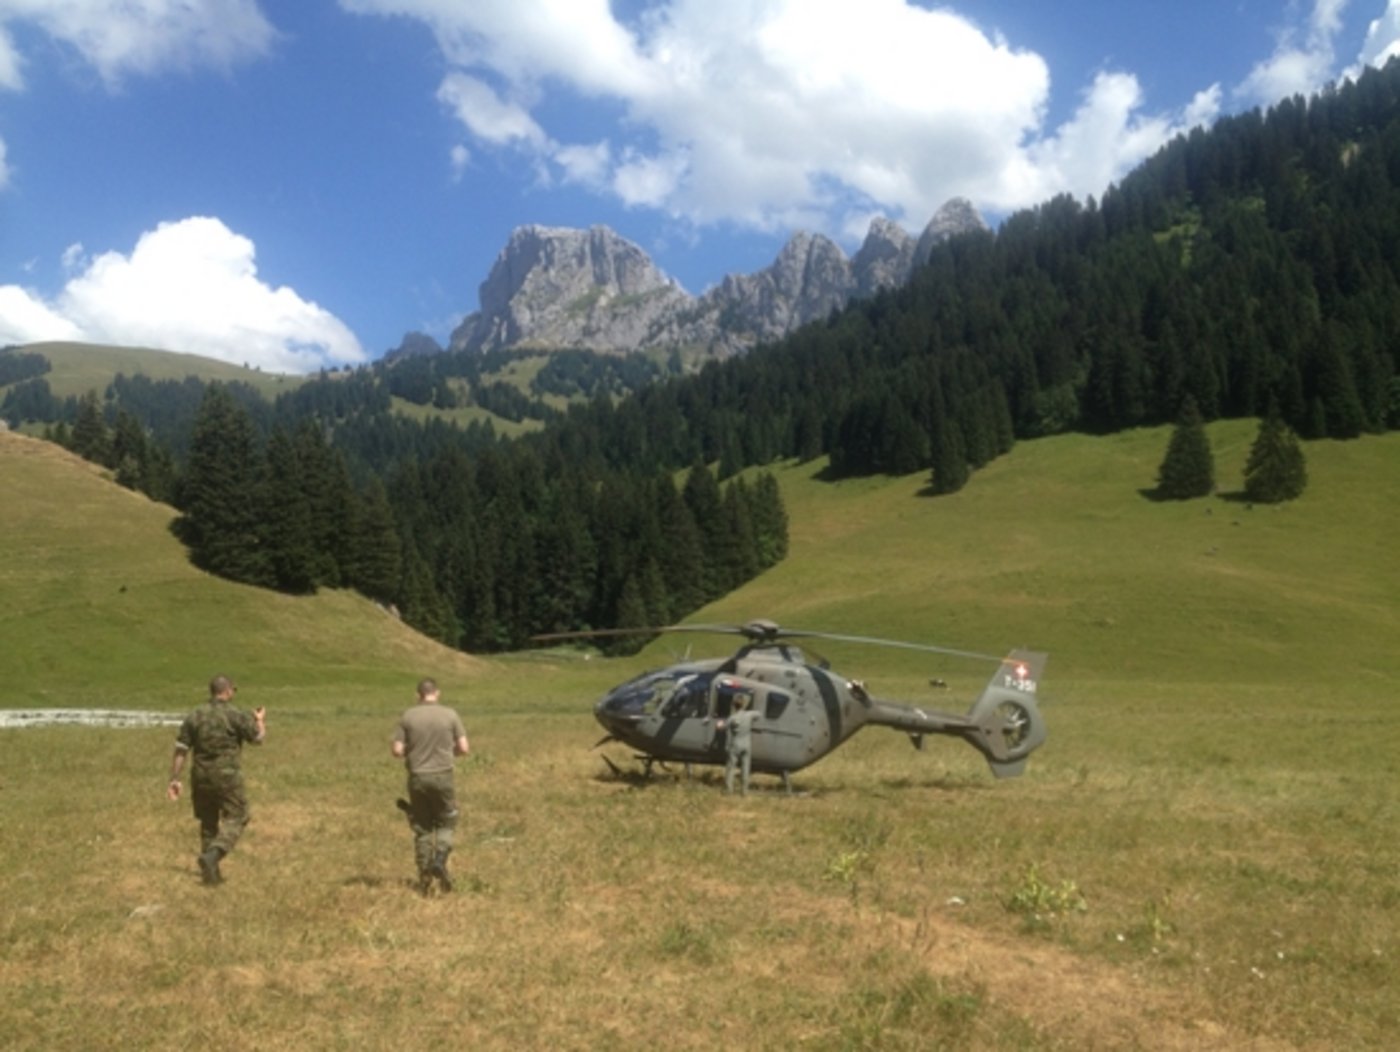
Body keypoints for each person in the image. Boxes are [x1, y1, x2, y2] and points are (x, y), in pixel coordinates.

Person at [166, 675, 266, 885]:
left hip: (200, 775)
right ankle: (213, 855)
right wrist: (259, 720)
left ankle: (210, 875)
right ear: (227, 691)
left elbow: (181, 749)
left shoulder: (195, 715)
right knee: (238, 815)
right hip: (227, 775)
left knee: (208, 822)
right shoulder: (234, 714)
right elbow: (257, 738)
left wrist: (175, 778)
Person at [391, 678, 469, 895]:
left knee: (423, 827)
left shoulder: (408, 716)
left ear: (418, 695)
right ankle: (440, 859)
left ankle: (424, 876)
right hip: (443, 776)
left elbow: (397, 750)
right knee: (447, 820)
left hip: (417, 777)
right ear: (437, 693)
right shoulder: (450, 715)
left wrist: (413, 753)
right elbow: (464, 748)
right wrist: (448, 753)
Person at [721, 697, 761, 796]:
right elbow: (759, 714)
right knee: (745, 768)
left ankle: (729, 790)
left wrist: (719, 725)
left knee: (731, 767)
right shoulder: (749, 715)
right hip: (746, 745)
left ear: (734, 706)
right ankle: (744, 791)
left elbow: (724, 727)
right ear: (743, 705)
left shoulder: (732, 718)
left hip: (735, 744)